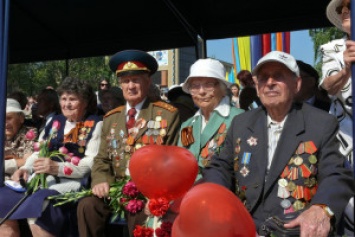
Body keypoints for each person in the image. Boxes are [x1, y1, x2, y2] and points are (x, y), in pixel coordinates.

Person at [203, 51, 355, 236]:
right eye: (264, 78)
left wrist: (322, 209)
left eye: (278, 76)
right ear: (257, 87)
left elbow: (336, 173)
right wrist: (215, 198)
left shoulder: (321, 123)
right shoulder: (242, 123)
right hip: (246, 226)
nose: (270, 82)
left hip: (296, 229)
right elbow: (220, 166)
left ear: (296, 84)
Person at [77, 50, 181, 237]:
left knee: (139, 213)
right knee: (87, 206)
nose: (130, 86)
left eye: (136, 80)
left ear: (148, 82)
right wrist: (101, 181)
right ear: (120, 84)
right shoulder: (110, 118)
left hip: (147, 193)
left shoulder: (167, 114)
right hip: (115, 188)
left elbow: (173, 162)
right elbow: (102, 159)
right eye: (125, 81)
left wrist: (157, 195)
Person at [0, 77, 103, 237]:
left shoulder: (95, 123)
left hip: (72, 180)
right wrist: (26, 169)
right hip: (42, 177)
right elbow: (38, 152)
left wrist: (57, 168)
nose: (67, 104)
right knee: (3, 198)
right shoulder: (55, 121)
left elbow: (88, 165)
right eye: (63, 98)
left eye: (73, 99)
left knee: (38, 203)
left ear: (85, 102)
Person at [321, 0, 355, 234]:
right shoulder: (332, 48)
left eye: (349, 6)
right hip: (345, 140)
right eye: (340, 9)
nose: (344, 11)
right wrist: (346, 69)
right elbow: (328, 87)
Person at [178, 58, 243, 177]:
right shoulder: (187, 125)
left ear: (223, 89)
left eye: (209, 85)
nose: (201, 92)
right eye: (195, 86)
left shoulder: (239, 118)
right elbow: (180, 160)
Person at [4, 98, 38, 179]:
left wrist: (4, 165)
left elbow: (27, 161)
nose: (5, 123)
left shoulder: (30, 133)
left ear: (21, 118)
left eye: (9, 118)